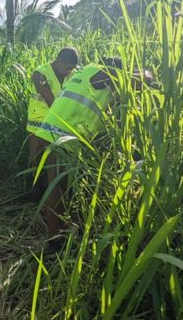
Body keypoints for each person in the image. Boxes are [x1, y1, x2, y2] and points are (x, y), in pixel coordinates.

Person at [33, 57, 151, 236]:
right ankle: (54, 235)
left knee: (60, 183)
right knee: (58, 185)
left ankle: (57, 220)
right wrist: (147, 72)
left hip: (50, 129)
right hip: (61, 135)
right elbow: (144, 79)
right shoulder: (105, 73)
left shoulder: (86, 71)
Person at [25, 47, 79, 200]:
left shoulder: (72, 75)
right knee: (34, 159)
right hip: (38, 124)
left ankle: (49, 196)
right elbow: (52, 102)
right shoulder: (40, 74)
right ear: (59, 61)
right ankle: (32, 193)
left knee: (51, 162)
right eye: (67, 68)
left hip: (56, 124)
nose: (68, 72)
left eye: (71, 69)